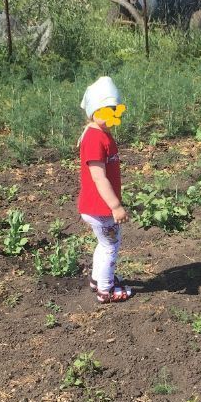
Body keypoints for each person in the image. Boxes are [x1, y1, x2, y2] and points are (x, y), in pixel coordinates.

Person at [77, 76, 132, 303]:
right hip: (100, 208)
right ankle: (106, 290)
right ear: (93, 111)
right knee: (111, 245)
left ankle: (97, 279)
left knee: (104, 243)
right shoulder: (94, 139)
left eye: (115, 110)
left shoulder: (101, 134)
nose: (113, 116)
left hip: (97, 206)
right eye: (108, 110)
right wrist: (116, 206)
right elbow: (99, 178)